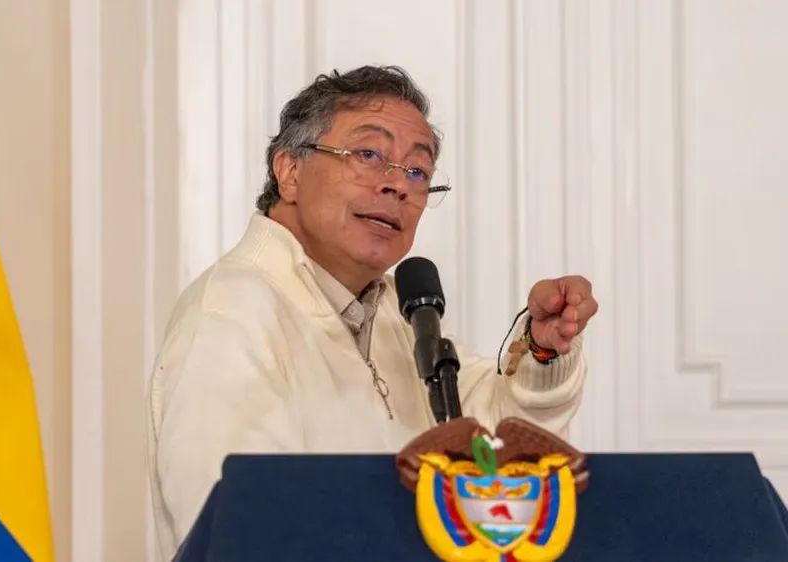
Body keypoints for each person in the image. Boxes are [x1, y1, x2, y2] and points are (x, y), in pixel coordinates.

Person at [145, 65, 598, 559]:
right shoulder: (232, 313)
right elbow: (243, 530)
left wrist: (541, 351)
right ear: (289, 172)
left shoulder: (393, 316)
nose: (397, 185)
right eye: (368, 155)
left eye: (417, 172)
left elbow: (498, 450)